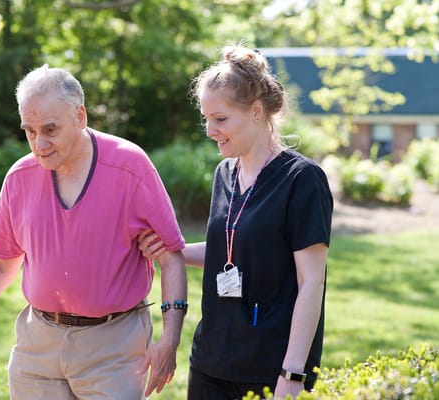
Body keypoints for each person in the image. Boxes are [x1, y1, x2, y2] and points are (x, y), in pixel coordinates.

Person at [0, 65, 188, 400]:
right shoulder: (19, 178)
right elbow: (2, 267)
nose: (39, 143)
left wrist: (170, 339)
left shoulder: (129, 167)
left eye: (50, 129)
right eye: (30, 131)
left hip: (114, 344)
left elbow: (171, 258)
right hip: (38, 345)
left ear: (80, 116)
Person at [138, 45, 333, 399]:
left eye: (221, 119)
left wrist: (292, 372)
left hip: (270, 368)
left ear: (257, 112)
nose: (210, 130)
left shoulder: (302, 179)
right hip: (211, 362)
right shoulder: (224, 173)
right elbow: (226, 250)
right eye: (206, 119)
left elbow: (312, 283)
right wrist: (170, 250)